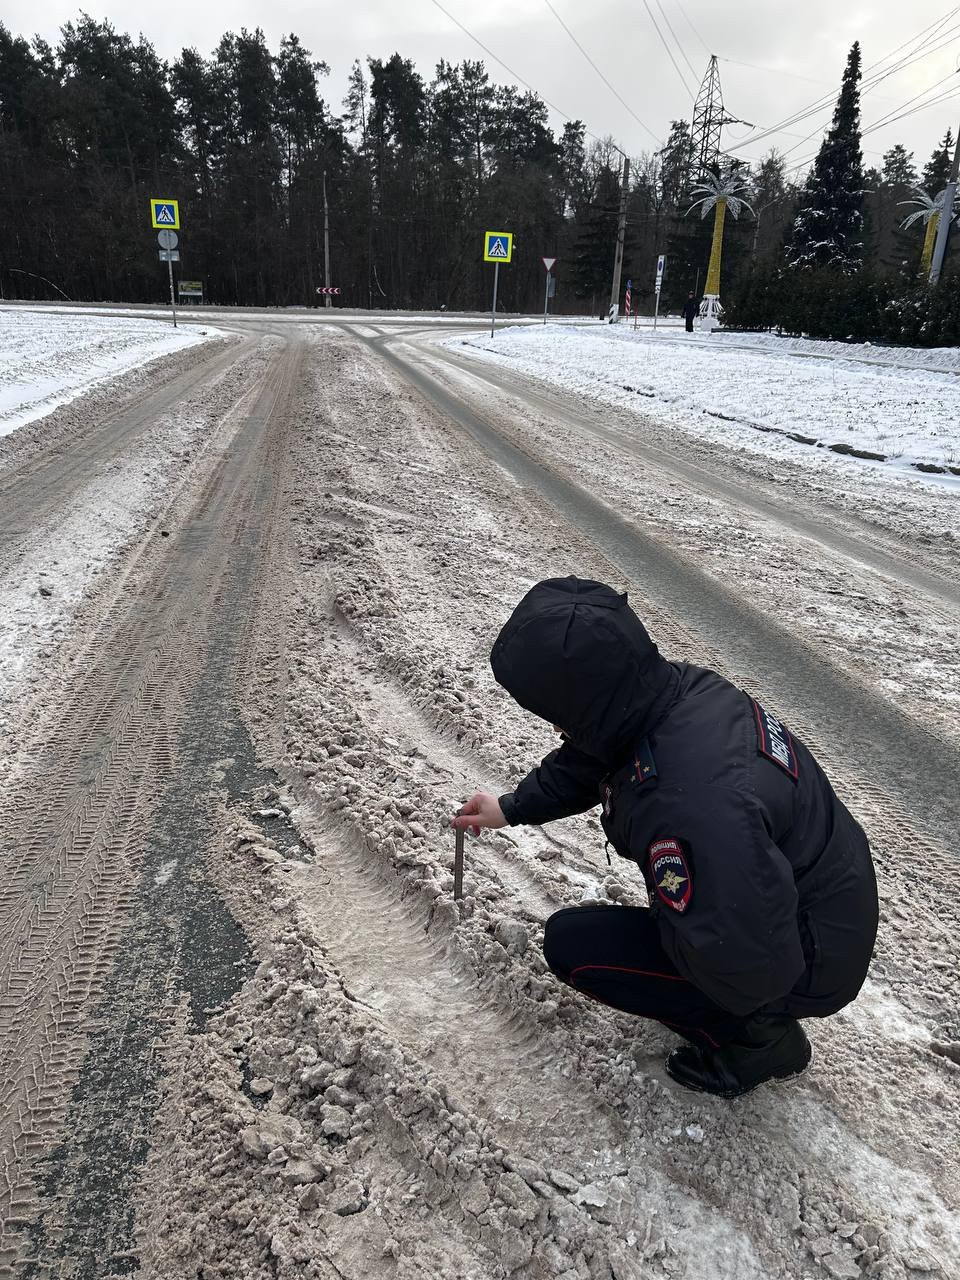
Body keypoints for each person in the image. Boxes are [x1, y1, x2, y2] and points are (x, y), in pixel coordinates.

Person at [452, 578, 878, 1099]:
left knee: (575, 946)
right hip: (822, 892)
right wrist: (511, 809)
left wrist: (695, 953)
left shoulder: (687, 804)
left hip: (808, 954)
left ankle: (760, 1043)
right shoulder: (674, 692)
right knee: (689, 918)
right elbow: (597, 754)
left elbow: (753, 964)